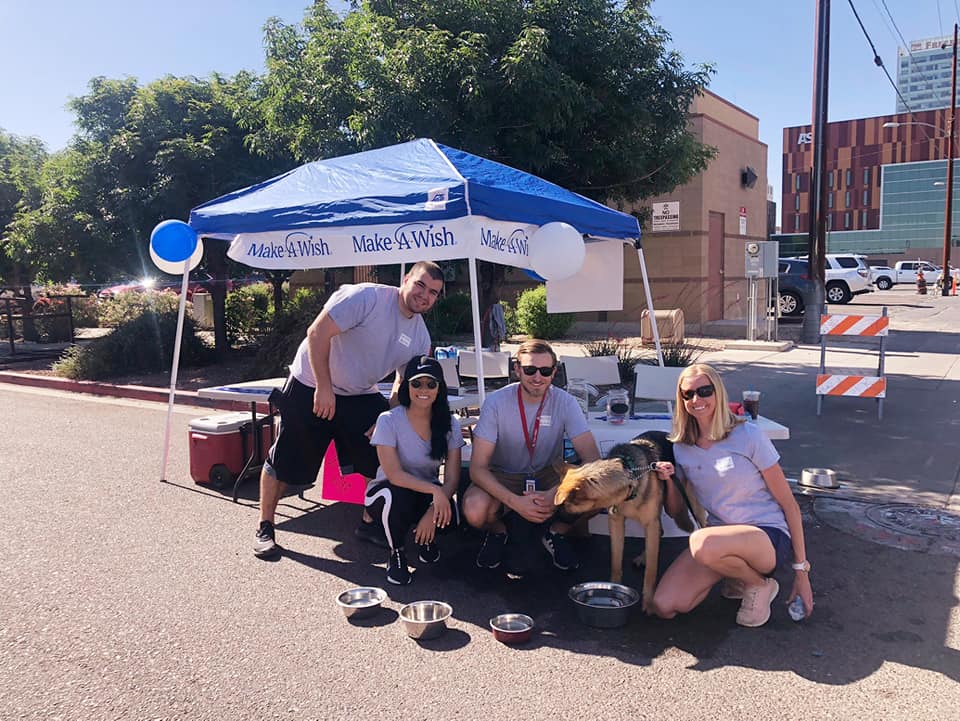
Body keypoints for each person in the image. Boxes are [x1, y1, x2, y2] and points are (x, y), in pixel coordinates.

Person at [253, 261, 445, 558]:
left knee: (381, 456)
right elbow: (317, 333)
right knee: (286, 461)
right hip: (311, 383)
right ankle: (266, 525)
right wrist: (324, 387)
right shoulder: (366, 297)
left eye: (433, 292)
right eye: (420, 285)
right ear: (406, 279)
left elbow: (403, 383)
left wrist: (387, 419)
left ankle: (369, 523)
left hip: (359, 394)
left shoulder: (421, 337)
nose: (424, 295)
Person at [650, 363, 814, 627]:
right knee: (664, 605)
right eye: (688, 394)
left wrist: (801, 572)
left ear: (718, 392)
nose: (697, 399)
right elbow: (676, 511)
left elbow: (790, 505)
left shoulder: (748, 435)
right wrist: (668, 481)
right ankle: (737, 575)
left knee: (701, 542)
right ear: (681, 400)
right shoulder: (681, 447)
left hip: (766, 536)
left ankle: (758, 583)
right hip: (719, 539)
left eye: (705, 391)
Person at [463, 339, 601, 575]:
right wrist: (514, 502)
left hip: (549, 475)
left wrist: (556, 492)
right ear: (517, 369)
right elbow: (477, 468)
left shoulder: (565, 402)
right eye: (530, 370)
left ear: (554, 372)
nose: (538, 377)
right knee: (475, 510)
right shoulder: (496, 403)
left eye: (545, 371)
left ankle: (555, 532)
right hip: (504, 474)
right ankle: (498, 531)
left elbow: (592, 460)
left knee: (600, 489)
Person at [364, 356, 465, 585]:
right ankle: (396, 552)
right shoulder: (388, 420)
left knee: (450, 511)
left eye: (431, 384)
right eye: (417, 383)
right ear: (406, 385)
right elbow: (394, 475)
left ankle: (425, 539)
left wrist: (432, 510)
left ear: (439, 388)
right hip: (387, 491)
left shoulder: (450, 423)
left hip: (425, 492)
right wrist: (435, 492)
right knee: (396, 497)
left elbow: (452, 478)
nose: (424, 390)